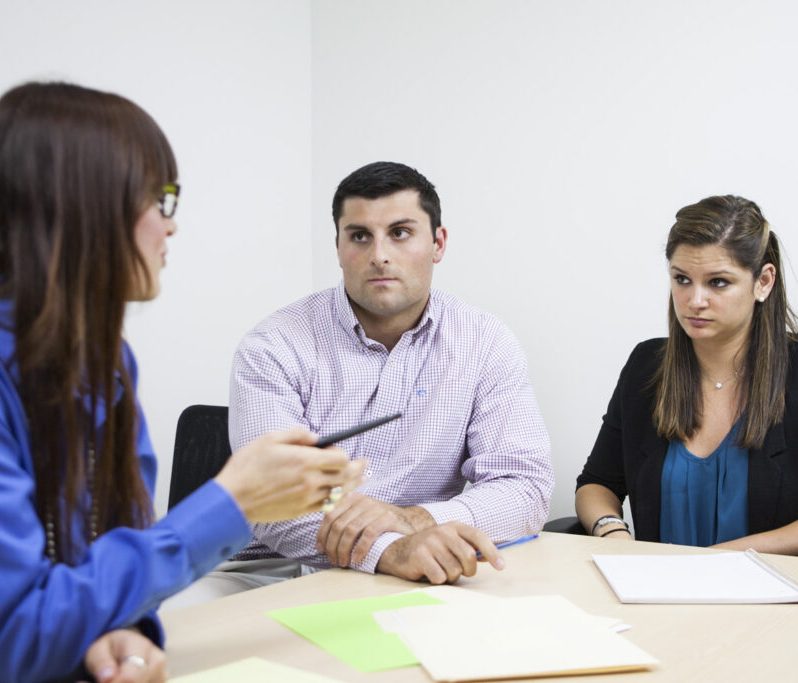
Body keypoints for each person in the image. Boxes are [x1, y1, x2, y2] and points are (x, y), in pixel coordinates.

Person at [0, 82, 365, 683]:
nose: (170, 226)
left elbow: (99, 568)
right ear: (84, 203)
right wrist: (233, 503)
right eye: (160, 199)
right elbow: (20, 633)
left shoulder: (105, 361)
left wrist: (122, 632)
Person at [171, 161, 553, 604]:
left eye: (401, 232)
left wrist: (415, 521)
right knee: (169, 629)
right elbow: (273, 505)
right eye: (359, 236)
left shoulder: (485, 343)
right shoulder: (273, 345)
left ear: (438, 243)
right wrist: (390, 548)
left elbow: (524, 486)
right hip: (267, 568)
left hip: (417, 566)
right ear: (337, 246)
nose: (379, 255)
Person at [574, 195, 798, 559]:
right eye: (682, 279)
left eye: (718, 282)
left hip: (777, 600)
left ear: (763, 282)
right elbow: (597, 483)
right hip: (658, 596)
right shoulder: (648, 365)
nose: (695, 300)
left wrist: (718, 561)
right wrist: (611, 530)